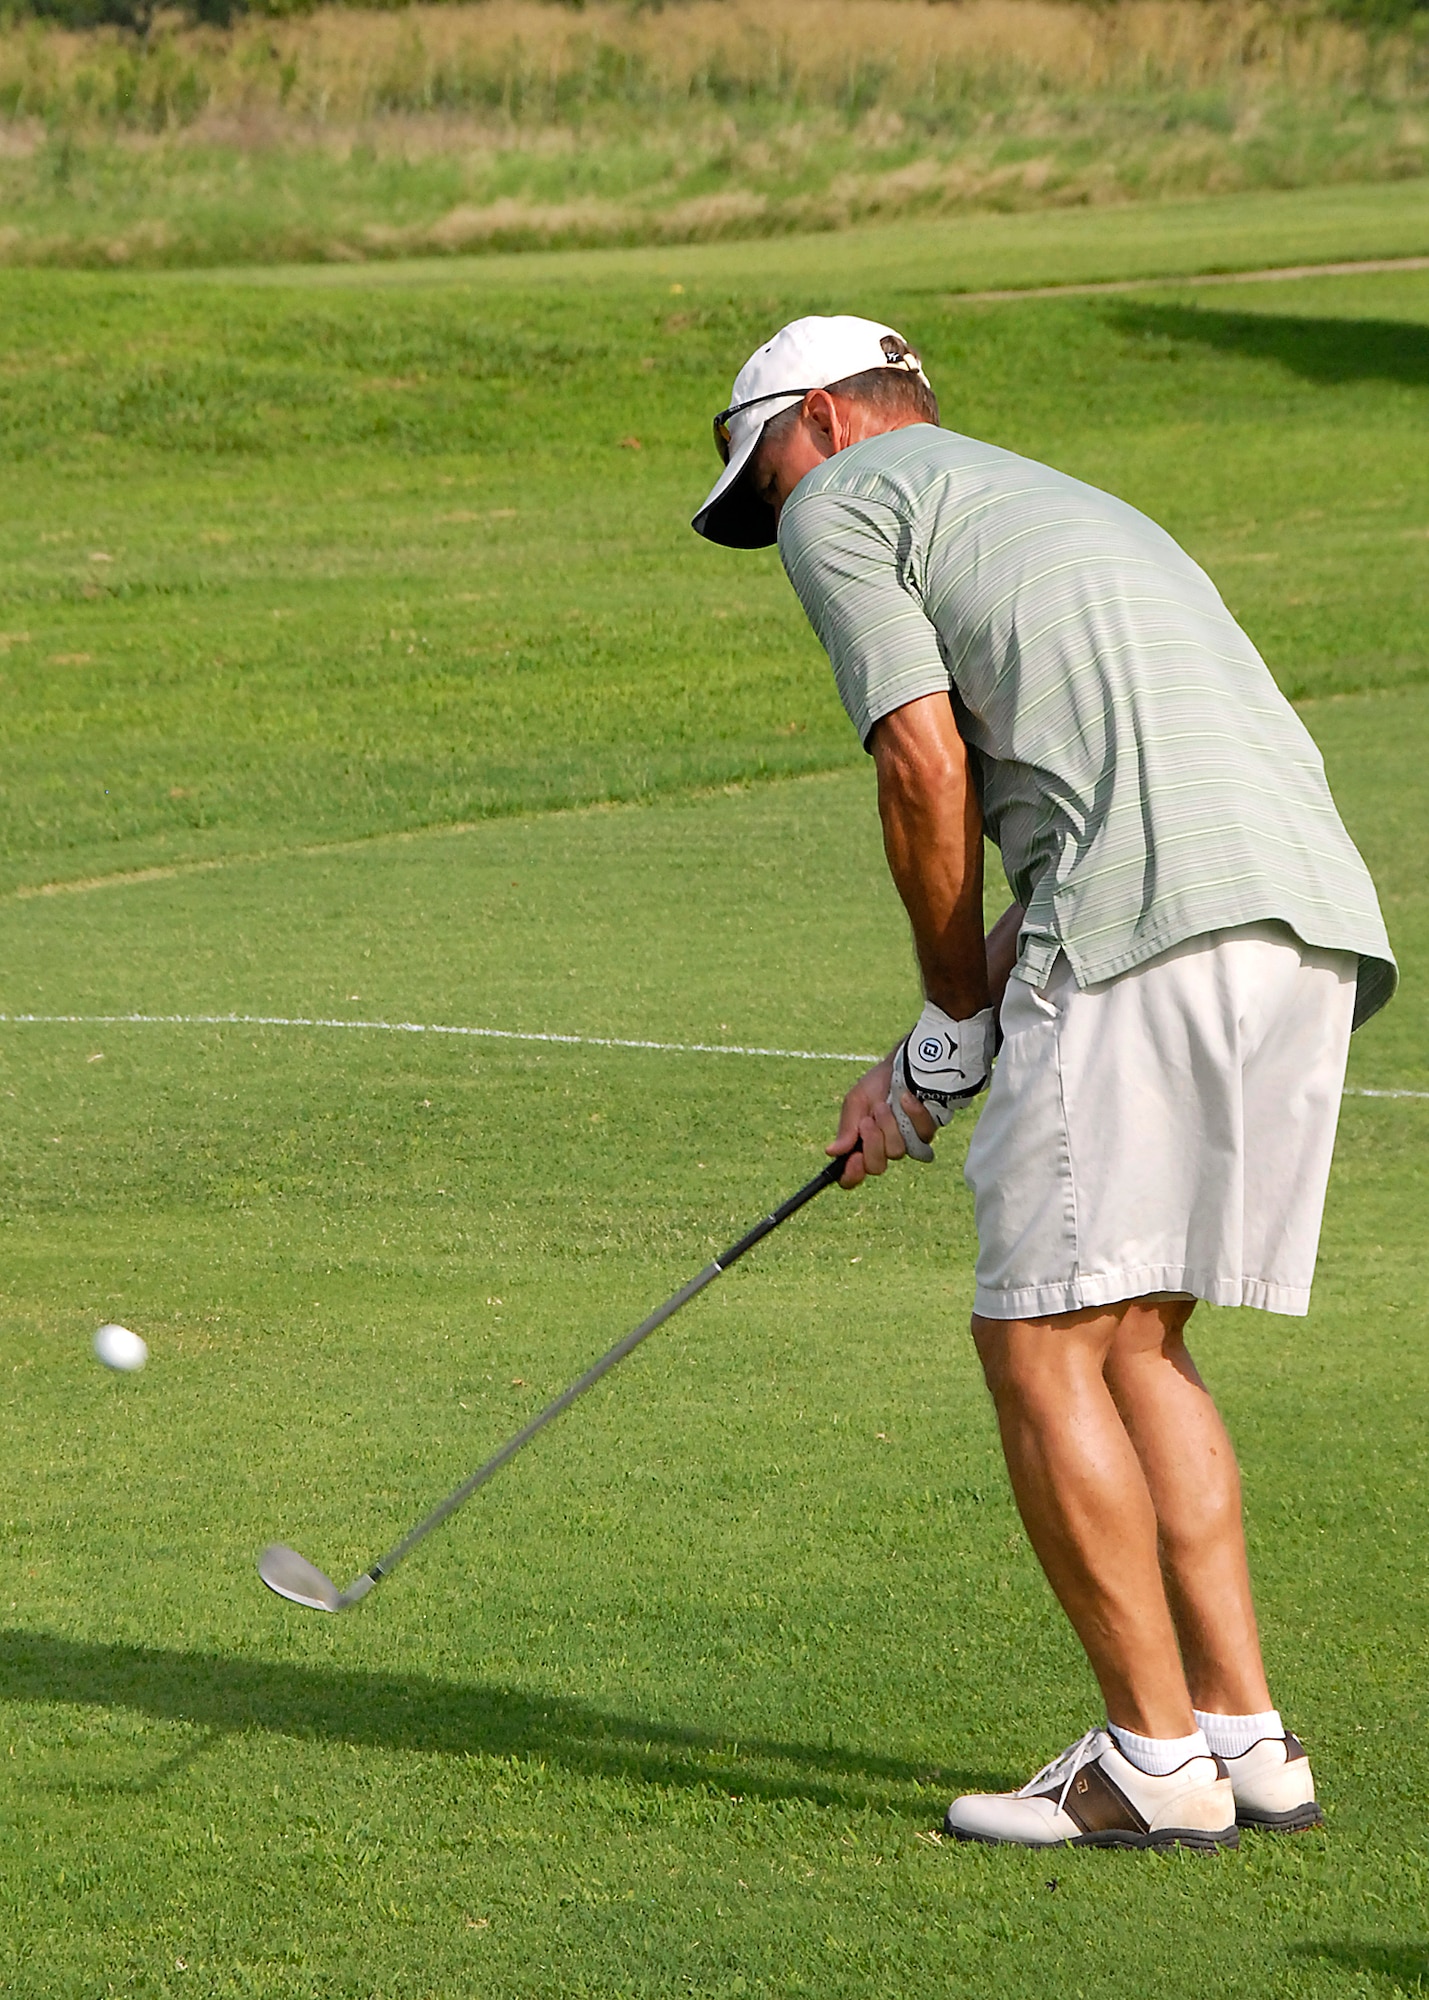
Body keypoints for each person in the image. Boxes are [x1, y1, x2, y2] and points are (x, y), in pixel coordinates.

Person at [692, 315, 1396, 1851]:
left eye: (764, 482)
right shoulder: (1053, 500)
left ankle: (1146, 1763)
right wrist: (933, 1053)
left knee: (1036, 1343)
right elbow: (1110, 826)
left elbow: (924, 764)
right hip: (1308, 930)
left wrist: (952, 1012)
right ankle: (1239, 1736)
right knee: (1136, 1334)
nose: (774, 523)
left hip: (1150, 934)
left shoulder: (844, 499)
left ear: (818, 421)